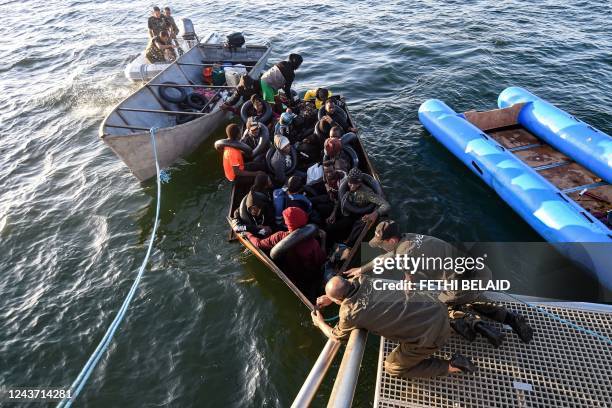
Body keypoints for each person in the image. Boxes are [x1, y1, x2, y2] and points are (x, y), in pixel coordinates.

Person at [345, 221, 534, 346]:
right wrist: (362, 269)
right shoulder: (410, 237)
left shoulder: (403, 255)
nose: (381, 247)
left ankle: (480, 327)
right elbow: (389, 257)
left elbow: (408, 284)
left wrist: (406, 299)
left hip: (463, 284)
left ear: (392, 240)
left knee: (436, 307)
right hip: (481, 272)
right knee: (465, 296)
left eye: (382, 243)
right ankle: (510, 317)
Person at [312, 275, 477, 378]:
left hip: (430, 335)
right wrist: (332, 297)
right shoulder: (365, 279)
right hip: (438, 308)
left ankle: (452, 366)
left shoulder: (350, 313)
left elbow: (337, 335)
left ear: (339, 300)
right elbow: (348, 286)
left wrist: (320, 323)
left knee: (392, 367)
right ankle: (456, 323)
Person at [246, 207, 326, 297]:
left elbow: (258, 244)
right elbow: (321, 260)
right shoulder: (312, 242)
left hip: (291, 274)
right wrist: (323, 239)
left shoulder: (279, 236)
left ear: (287, 223)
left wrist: (248, 235)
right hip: (309, 275)